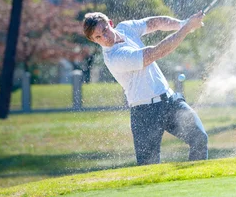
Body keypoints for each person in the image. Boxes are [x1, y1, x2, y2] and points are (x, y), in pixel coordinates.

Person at [82, 11, 207, 165]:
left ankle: (194, 185)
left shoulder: (126, 28)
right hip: (144, 113)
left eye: (105, 30)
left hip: (169, 101)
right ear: (94, 40)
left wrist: (182, 23)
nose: (105, 38)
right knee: (149, 166)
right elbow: (155, 53)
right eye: (98, 37)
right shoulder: (114, 57)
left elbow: (154, 23)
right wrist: (186, 28)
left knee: (199, 138)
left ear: (111, 23)